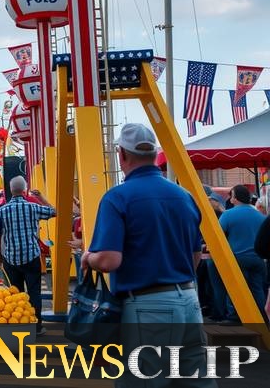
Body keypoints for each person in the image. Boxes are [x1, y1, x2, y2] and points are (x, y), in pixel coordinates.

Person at [82, 123, 214, 386]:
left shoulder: (117, 198)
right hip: (189, 300)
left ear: (122, 155)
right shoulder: (184, 196)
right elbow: (195, 255)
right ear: (154, 154)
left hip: (147, 307)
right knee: (196, 381)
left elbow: (109, 260)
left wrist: (88, 258)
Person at [0, 175, 55, 334]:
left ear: (10, 191)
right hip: (31, 256)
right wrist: (40, 197)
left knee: (16, 294)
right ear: (25, 190)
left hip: (11, 259)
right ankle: (37, 326)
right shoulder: (33, 207)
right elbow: (55, 212)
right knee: (34, 293)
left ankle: (19, 326)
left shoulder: (2, 210)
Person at [208, 185, 267, 324]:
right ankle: (261, 317)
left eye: (231, 195)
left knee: (235, 288)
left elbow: (218, 235)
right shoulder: (259, 215)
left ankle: (234, 317)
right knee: (257, 288)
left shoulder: (228, 214)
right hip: (258, 258)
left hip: (237, 257)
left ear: (235, 197)